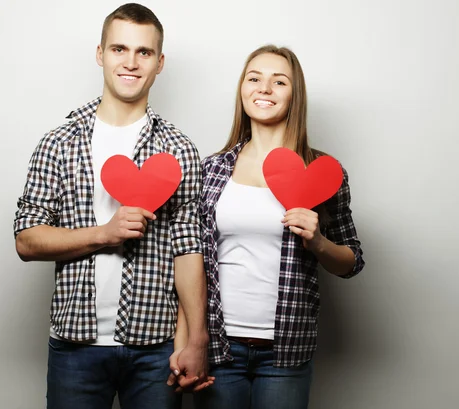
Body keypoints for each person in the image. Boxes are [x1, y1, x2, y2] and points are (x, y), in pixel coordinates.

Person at [13, 3, 212, 408]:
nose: (131, 62)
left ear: (159, 63)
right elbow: (26, 240)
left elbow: (188, 250)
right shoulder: (60, 142)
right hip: (75, 346)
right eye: (120, 49)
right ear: (100, 53)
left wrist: (196, 339)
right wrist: (105, 234)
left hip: (156, 350)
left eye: (144, 52)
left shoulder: (178, 150)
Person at [172, 44, 365, 409]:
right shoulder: (211, 169)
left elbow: (351, 261)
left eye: (279, 82)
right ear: (243, 89)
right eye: (254, 78)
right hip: (218, 346)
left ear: (295, 96)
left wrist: (318, 241)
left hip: (286, 351)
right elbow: (191, 261)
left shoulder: (322, 172)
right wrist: (185, 343)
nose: (264, 89)